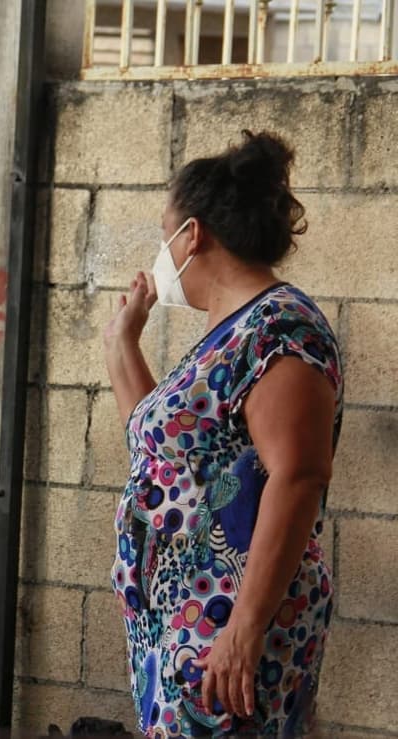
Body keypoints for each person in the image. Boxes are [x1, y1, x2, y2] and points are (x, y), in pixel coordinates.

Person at [103, 131, 343, 736]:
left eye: (166, 234)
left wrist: (245, 627)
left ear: (194, 233)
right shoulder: (228, 333)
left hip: (228, 621)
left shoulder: (280, 330)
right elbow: (160, 449)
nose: (163, 250)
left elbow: (300, 474)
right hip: (185, 619)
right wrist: (120, 342)